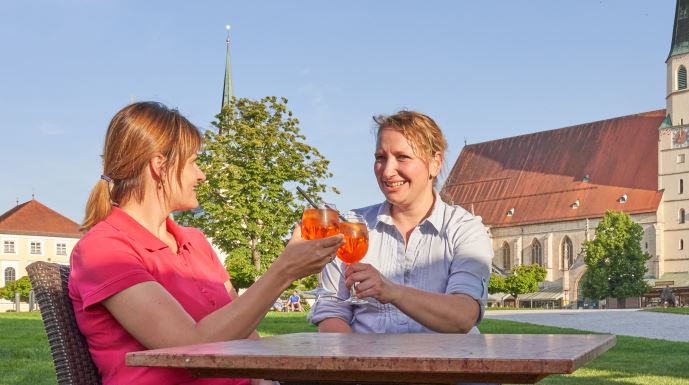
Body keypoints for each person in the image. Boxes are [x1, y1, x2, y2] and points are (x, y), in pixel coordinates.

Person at [68, 102, 343, 385]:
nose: (202, 175)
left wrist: (265, 380)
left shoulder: (195, 241)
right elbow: (190, 349)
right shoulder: (104, 249)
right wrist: (284, 271)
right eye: (193, 162)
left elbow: (244, 330)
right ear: (159, 166)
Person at [310, 110, 493, 334]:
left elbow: (464, 316)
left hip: (446, 366)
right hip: (367, 366)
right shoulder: (350, 227)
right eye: (380, 158)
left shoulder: (464, 228)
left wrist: (392, 292)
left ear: (435, 163)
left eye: (402, 157)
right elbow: (331, 313)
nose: (387, 171)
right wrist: (360, 365)